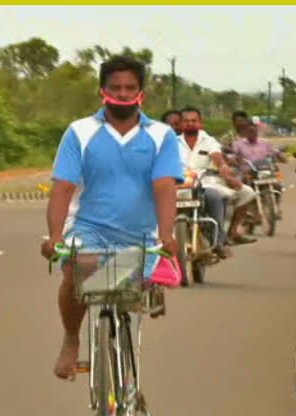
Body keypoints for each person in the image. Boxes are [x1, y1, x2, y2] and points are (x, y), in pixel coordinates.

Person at [40, 56, 183, 392]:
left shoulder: (161, 135)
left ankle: (128, 378)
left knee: (132, 292)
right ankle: (72, 338)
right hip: (89, 228)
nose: (122, 94)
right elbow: (63, 187)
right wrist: (55, 236)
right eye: (115, 88)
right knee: (79, 268)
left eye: (130, 88)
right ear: (102, 91)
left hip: (142, 235)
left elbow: (164, 186)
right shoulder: (80, 132)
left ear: (141, 94)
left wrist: (166, 236)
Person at [178, 107, 257, 257]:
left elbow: (218, 158)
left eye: (193, 121)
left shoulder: (208, 141)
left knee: (215, 196)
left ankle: (219, 240)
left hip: (204, 183)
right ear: (181, 124)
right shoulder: (173, 142)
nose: (190, 124)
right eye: (186, 121)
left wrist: (223, 168)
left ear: (200, 123)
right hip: (179, 185)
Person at [232, 122, 287, 216]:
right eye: (250, 131)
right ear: (245, 132)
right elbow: (232, 156)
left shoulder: (265, 143)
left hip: (264, 171)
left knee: (278, 184)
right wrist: (235, 162)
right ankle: (246, 212)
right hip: (247, 173)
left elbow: (274, 152)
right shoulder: (238, 144)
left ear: (257, 132)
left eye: (254, 131)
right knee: (244, 189)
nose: (252, 134)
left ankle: (275, 208)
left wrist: (281, 157)